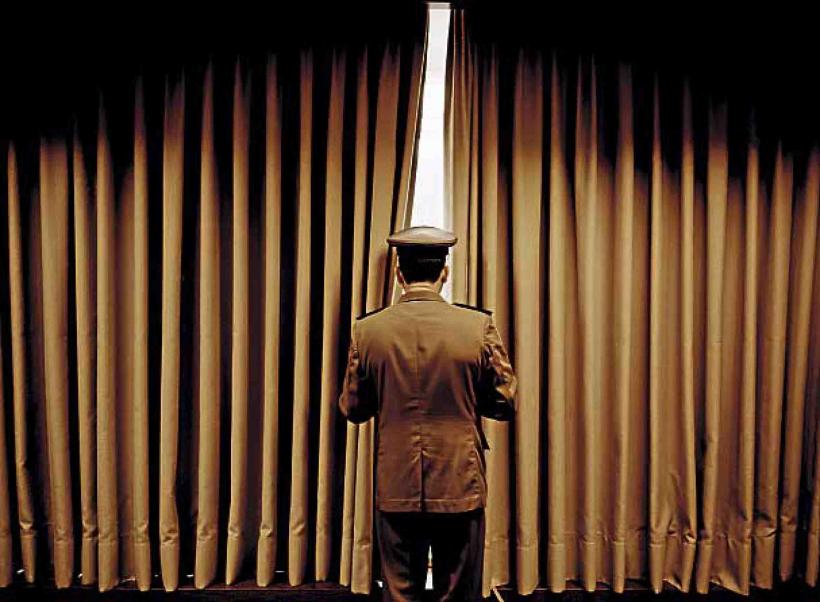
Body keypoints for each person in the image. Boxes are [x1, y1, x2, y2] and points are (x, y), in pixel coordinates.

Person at [338, 225, 517, 602]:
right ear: (444, 272)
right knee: (459, 593)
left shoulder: (367, 330)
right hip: (459, 479)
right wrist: (466, 398)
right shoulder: (477, 327)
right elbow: (505, 402)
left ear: (399, 274)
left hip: (396, 482)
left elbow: (353, 409)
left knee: (401, 593)